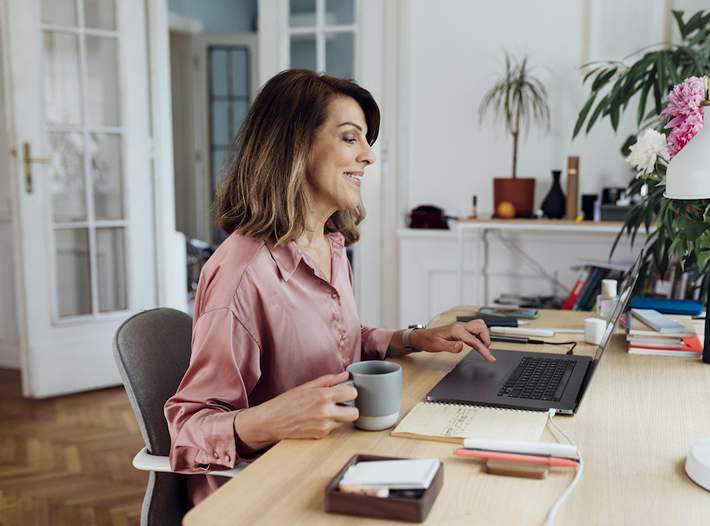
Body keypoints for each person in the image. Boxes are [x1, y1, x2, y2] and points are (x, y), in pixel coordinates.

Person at [164, 69, 494, 506]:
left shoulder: (330, 245)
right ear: (296, 147)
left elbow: (339, 341)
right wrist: (268, 420)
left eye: (366, 141)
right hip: (261, 493)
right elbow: (188, 427)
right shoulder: (242, 274)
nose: (369, 157)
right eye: (350, 138)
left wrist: (412, 338)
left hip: (334, 459)